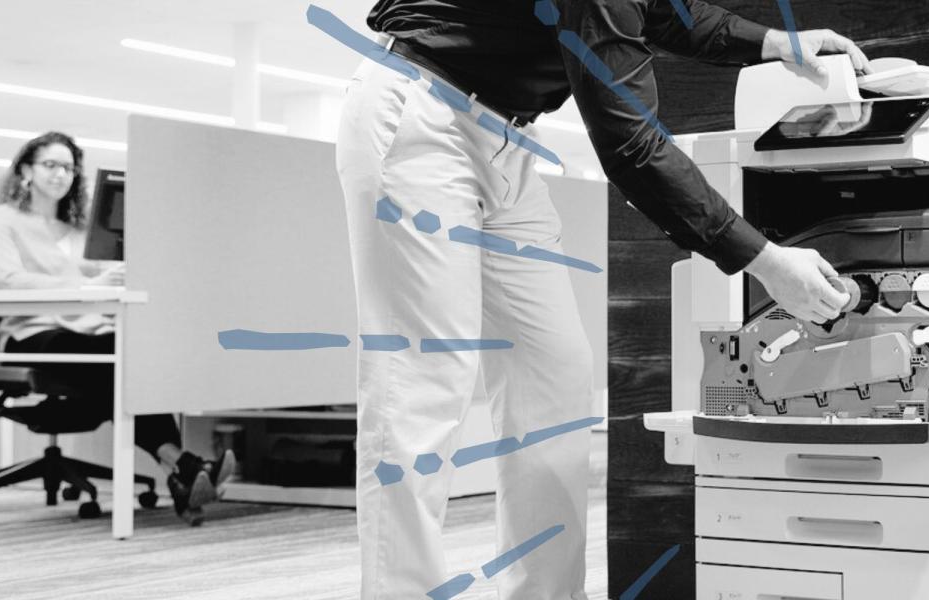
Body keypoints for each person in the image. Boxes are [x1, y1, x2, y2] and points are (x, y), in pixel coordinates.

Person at [339, 1, 865, 597]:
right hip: (421, 115)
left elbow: (669, 13)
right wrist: (765, 262)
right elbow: (632, 144)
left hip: (503, 137)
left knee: (554, 374)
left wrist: (778, 43)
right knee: (422, 383)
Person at [0, 132, 234, 525]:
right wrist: (88, 286)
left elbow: (99, 274)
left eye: (68, 167)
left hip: (89, 331)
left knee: (132, 354)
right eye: (50, 165)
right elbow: (9, 279)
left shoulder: (78, 228)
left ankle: (181, 469)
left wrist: (122, 272)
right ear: (26, 170)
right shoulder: (1, 219)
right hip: (30, 334)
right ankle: (183, 465)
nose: (60, 174)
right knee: (113, 361)